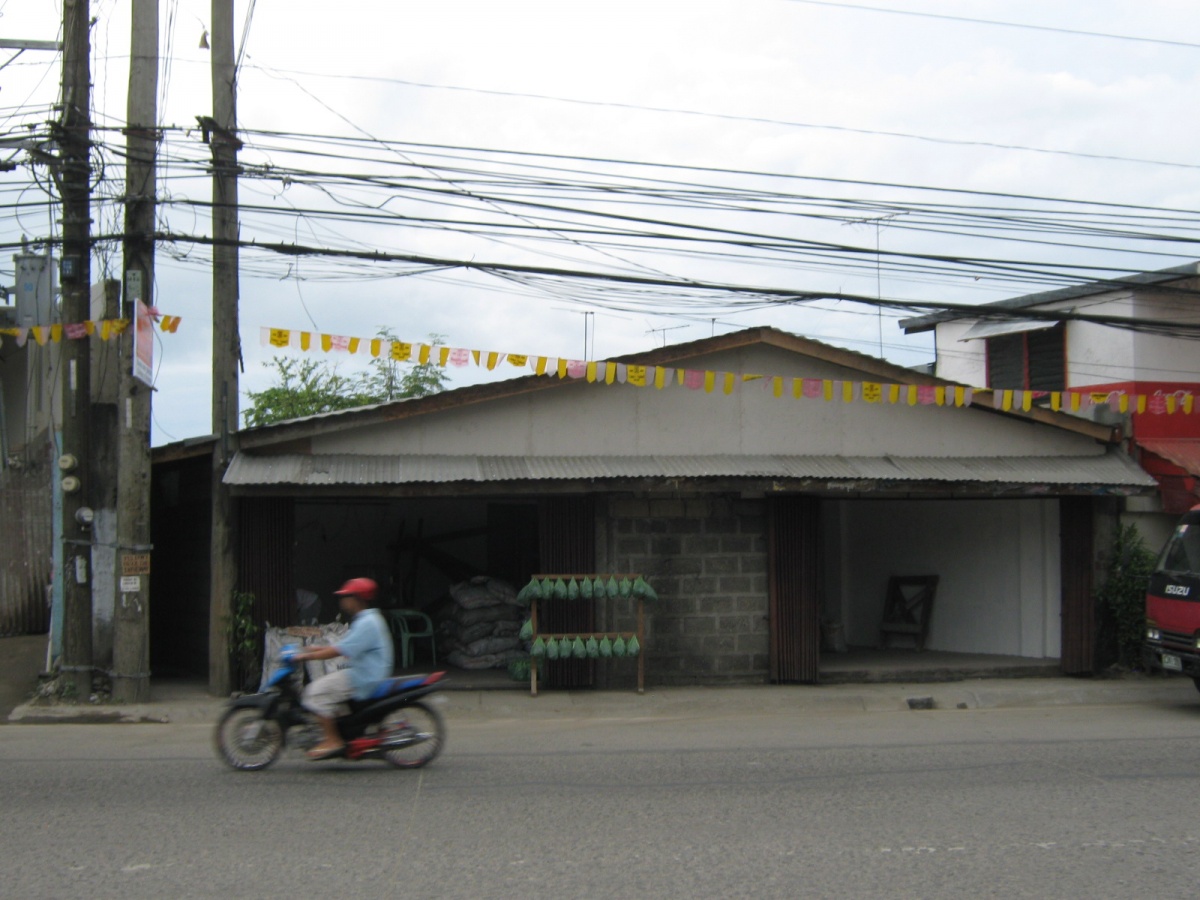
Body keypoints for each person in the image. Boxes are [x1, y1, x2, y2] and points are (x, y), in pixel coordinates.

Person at [294, 577, 394, 760]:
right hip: (363, 672)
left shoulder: (367, 623)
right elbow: (346, 646)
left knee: (314, 692)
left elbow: (339, 650)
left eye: (347, 596)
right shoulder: (367, 619)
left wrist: (308, 655)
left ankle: (333, 740)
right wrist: (314, 649)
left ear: (358, 599)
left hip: (363, 677)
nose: (343, 601)